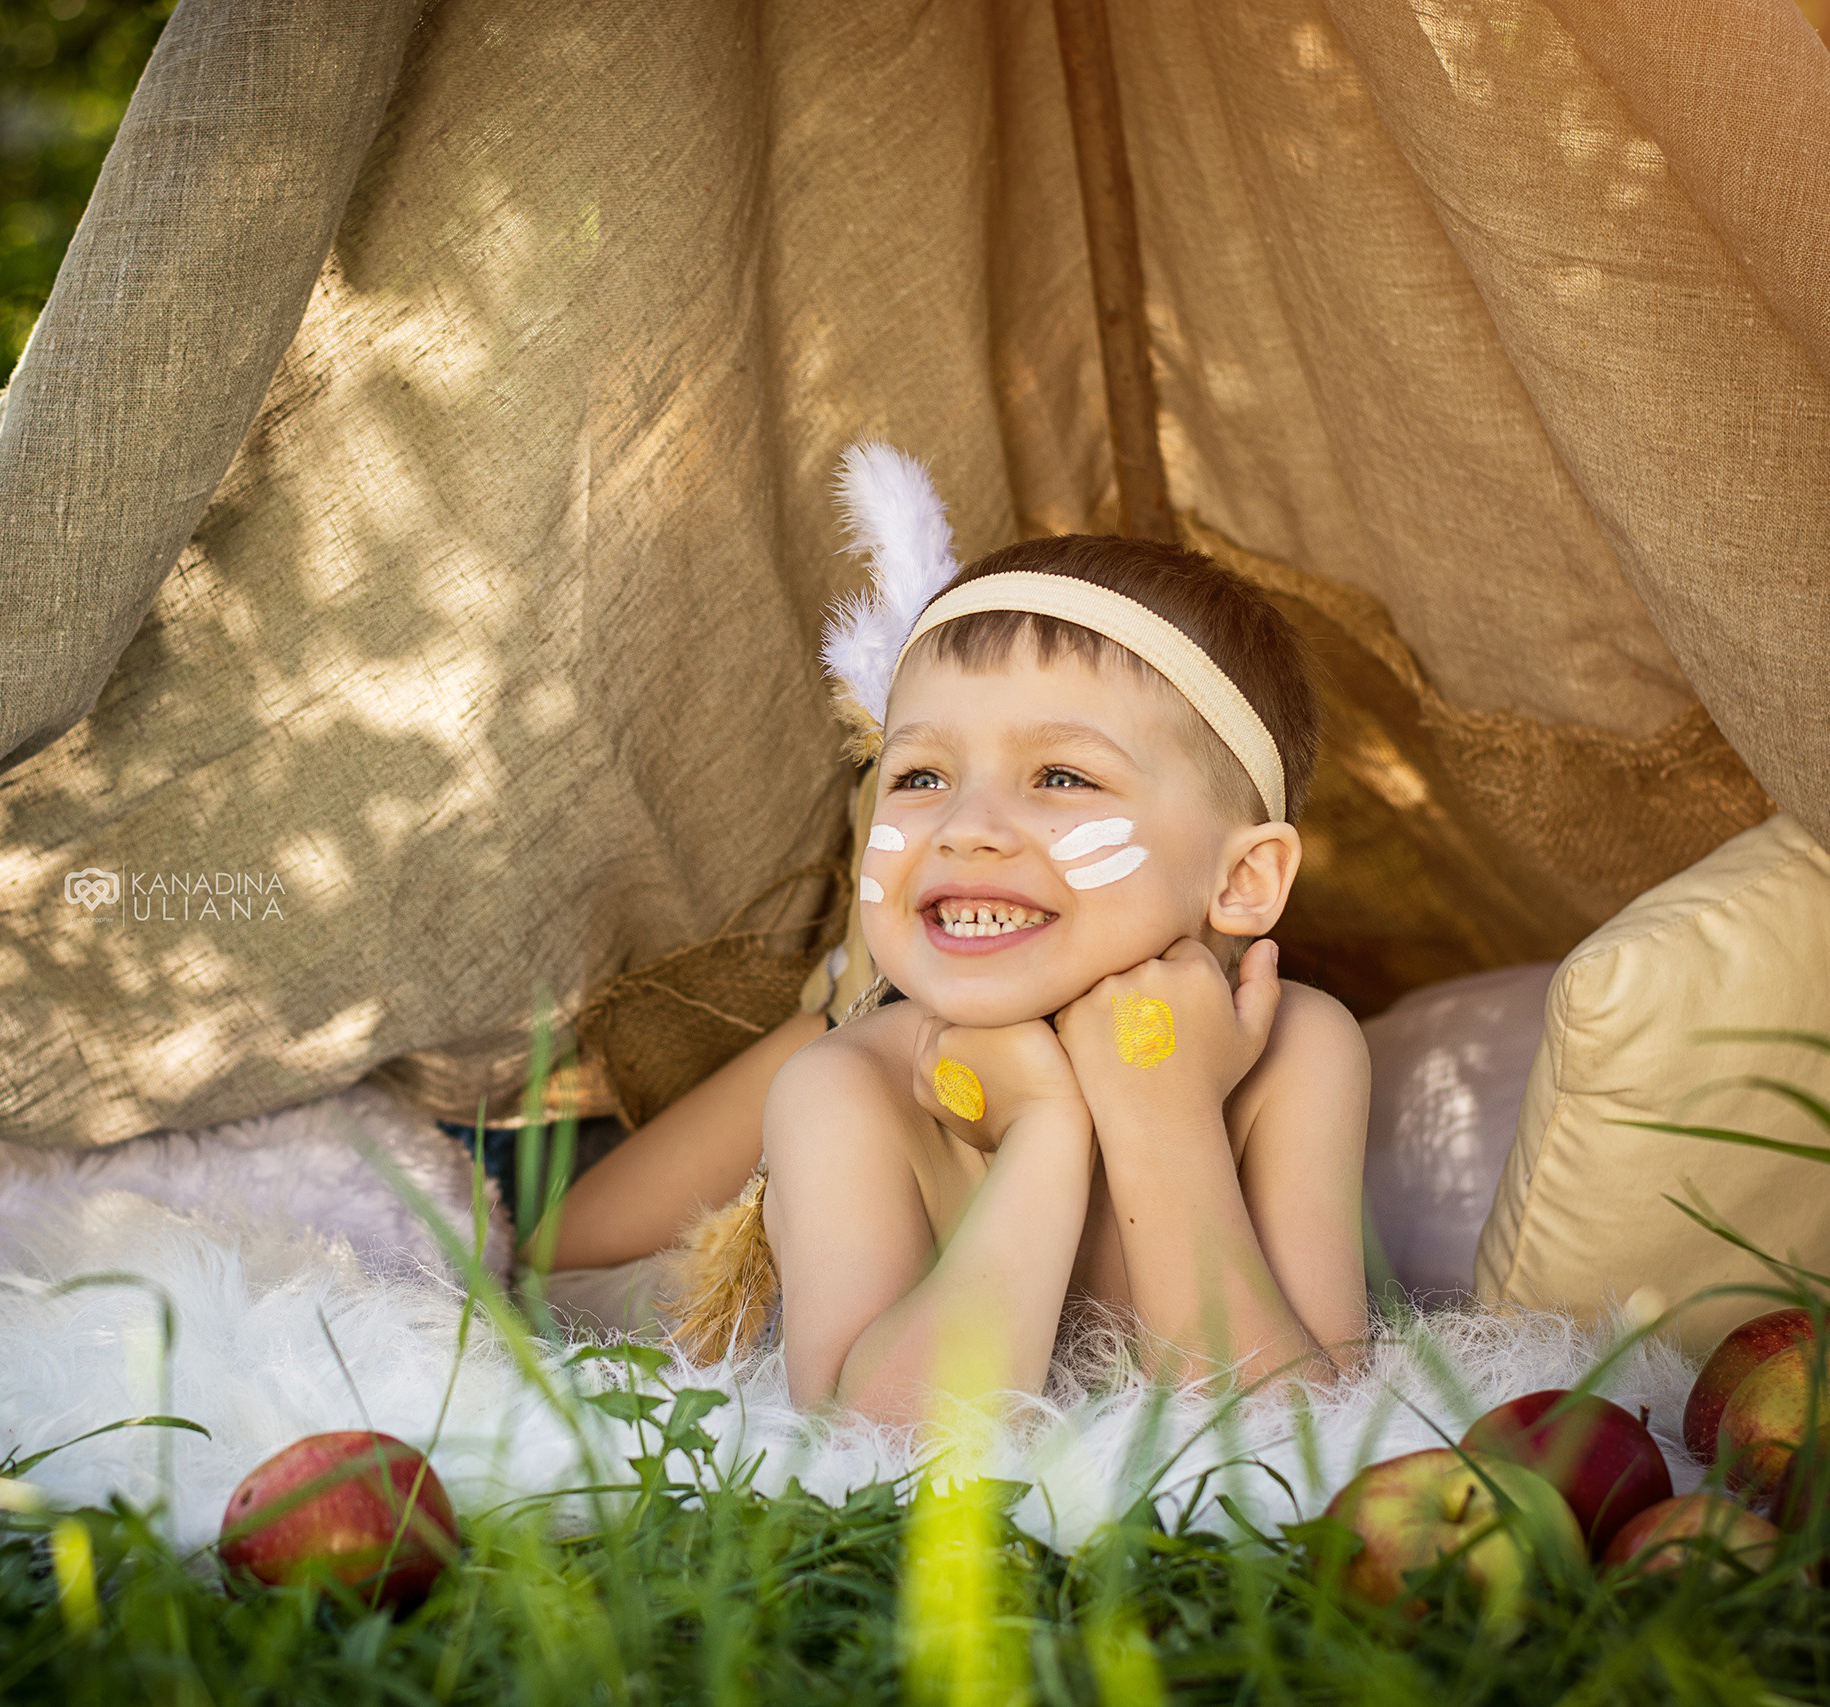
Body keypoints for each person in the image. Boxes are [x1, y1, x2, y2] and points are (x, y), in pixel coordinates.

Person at [559, 447, 1369, 1422]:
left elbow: (1302, 1430)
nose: (962, 826)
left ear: (1241, 880)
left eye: (1061, 777)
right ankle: (834, 991)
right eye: (921, 777)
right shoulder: (849, 1087)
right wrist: (1042, 1133)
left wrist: (1162, 1117)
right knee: (562, 1259)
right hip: (649, 1250)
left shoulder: (1296, 1051)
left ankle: (839, 987)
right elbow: (880, 1444)